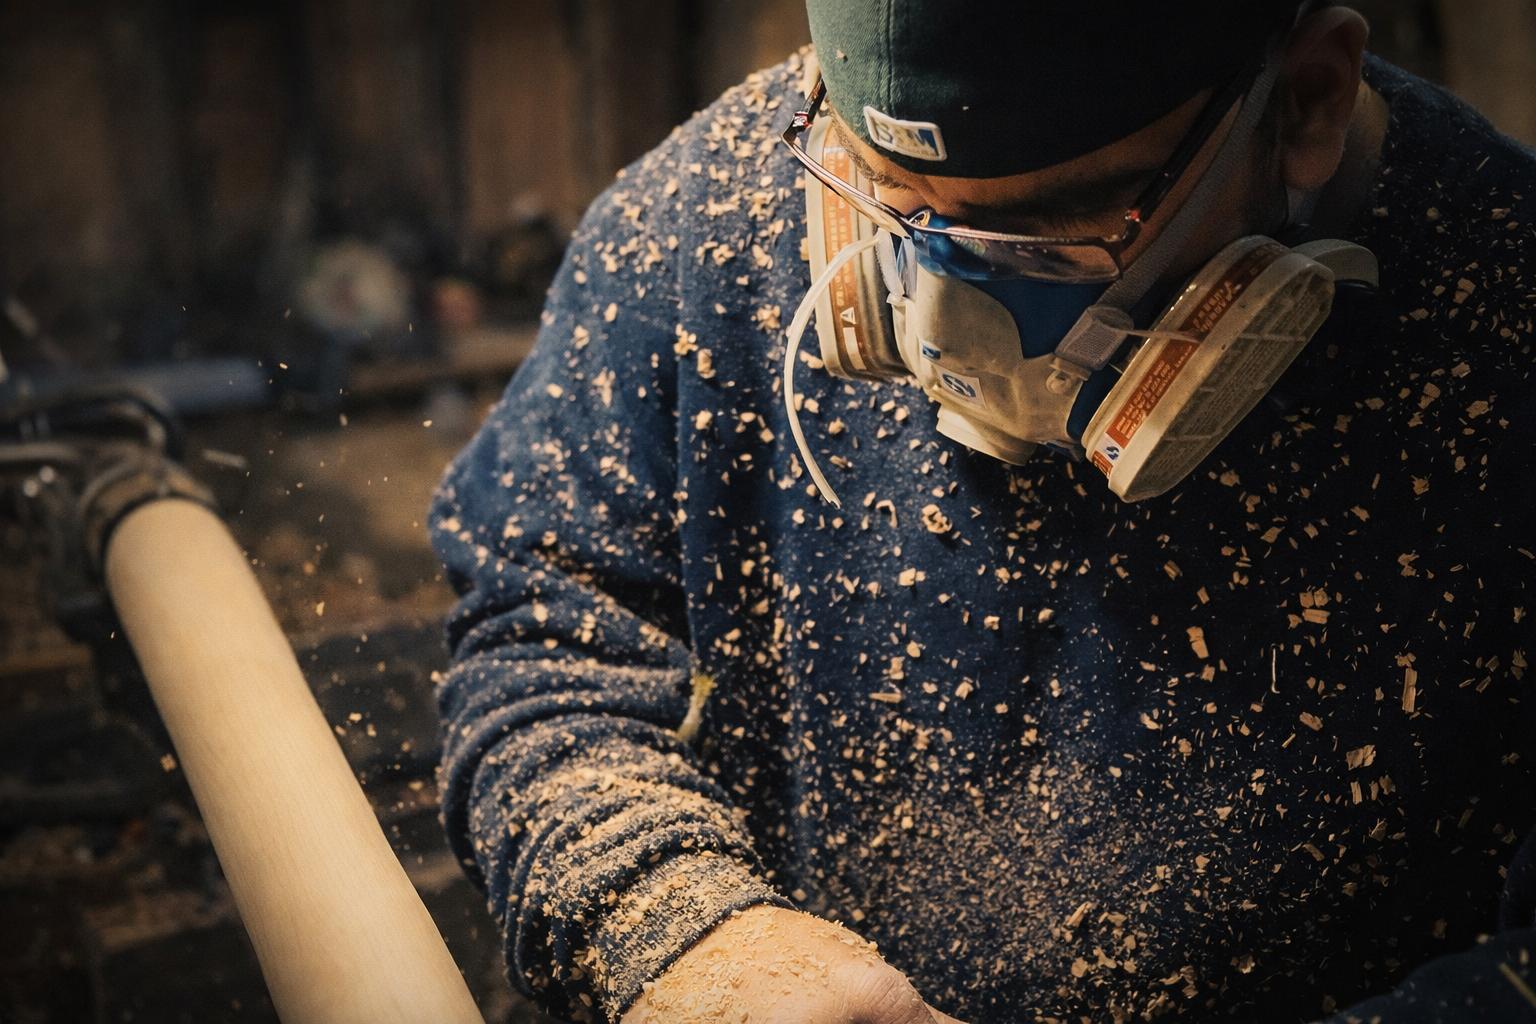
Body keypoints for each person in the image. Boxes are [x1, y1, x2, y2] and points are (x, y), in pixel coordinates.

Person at [429, 2, 1536, 1020]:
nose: (954, 320)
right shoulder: (707, 215)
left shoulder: (1504, 312)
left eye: (1053, 234)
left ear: (1307, 100)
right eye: (889, 206)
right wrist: (679, 927)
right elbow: (538, 638)